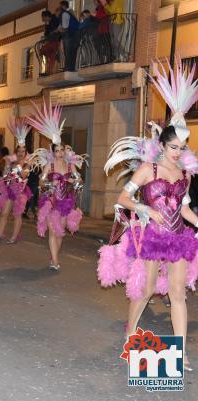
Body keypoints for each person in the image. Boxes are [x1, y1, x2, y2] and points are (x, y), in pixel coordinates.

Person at [98, 61, 198, 372]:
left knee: (178, 294)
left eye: (182, 147)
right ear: (162, 144)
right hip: (153, 236)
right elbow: (123, 197)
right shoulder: (148, 169)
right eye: (173, 147)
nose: (178, 152)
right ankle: (131, 340)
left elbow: (183, 208)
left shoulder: (186, 173)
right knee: (144, 290)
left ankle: (178, 355)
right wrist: (145, 208)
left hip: (179, 237)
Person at [27, 100, 84, 271]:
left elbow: (79, 181)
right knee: (53, 231)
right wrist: (48, 183)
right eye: (57, 150)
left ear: (64, 151)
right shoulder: (49, 166)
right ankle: (55, 260)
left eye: (61, 150)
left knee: (61, 231)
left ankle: (54, 257)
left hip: (66, 201)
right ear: (53, 151)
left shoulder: (70, 165)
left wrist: (74, 181)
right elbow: (41, 181)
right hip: (51, 201)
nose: (59, 153)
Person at [0, 118, 32, 244]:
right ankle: (0, 234)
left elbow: (24, 176)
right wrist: (8, 169)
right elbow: (5, 175)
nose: (20, 153)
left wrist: (17, 169)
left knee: (17, 215)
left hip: (21, 191)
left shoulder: (28, 162)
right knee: (4, 213)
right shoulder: (11, 160)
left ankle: (14, 237)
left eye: (23, 151)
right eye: (18, 151)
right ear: (16, 151)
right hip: (9, 190)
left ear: (25, 152)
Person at [56, 1, 80, 72]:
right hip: (72, 35)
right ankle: (69, 68)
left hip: (71, 35)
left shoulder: (64, 14)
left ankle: (69, 68)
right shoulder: (64, 14)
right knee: (69, 52)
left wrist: (60, 30)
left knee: (69, 52)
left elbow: (65, 27)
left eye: (56, 13)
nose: (56, 15)